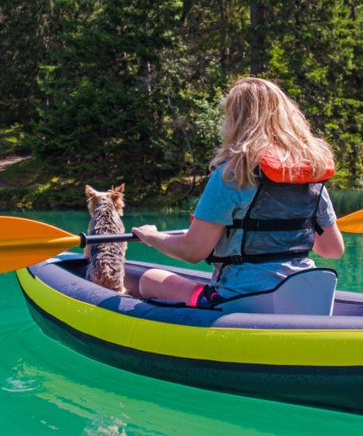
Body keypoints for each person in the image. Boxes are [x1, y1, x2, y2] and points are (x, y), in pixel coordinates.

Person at [131, 77, 344, 308]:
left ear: (236, 120)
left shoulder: (232, 175)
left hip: (244, 300)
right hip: (303, 295)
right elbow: (332, 249)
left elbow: (192, 251)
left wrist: (149, 236)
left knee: (150, 279)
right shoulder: (309, 176)